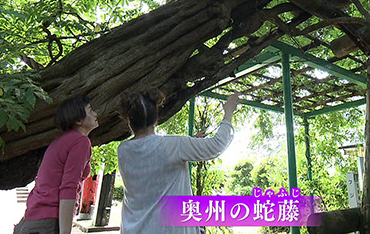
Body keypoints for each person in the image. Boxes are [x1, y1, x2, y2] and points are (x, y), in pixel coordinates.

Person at [117, 90, 239, 234]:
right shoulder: (174, 146)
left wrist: (189, 143)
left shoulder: (123, 150)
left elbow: (154, 156)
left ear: (129, 121)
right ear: (156, 119)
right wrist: (229, 112)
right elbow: (217, 145)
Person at [14, 95, 99, 234]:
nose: (95, 114)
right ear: (78, 120)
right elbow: (69, 187)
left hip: (33, 220)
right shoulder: (80, 142)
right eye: (90, 110)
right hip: (47, 223)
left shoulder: (62, 141)